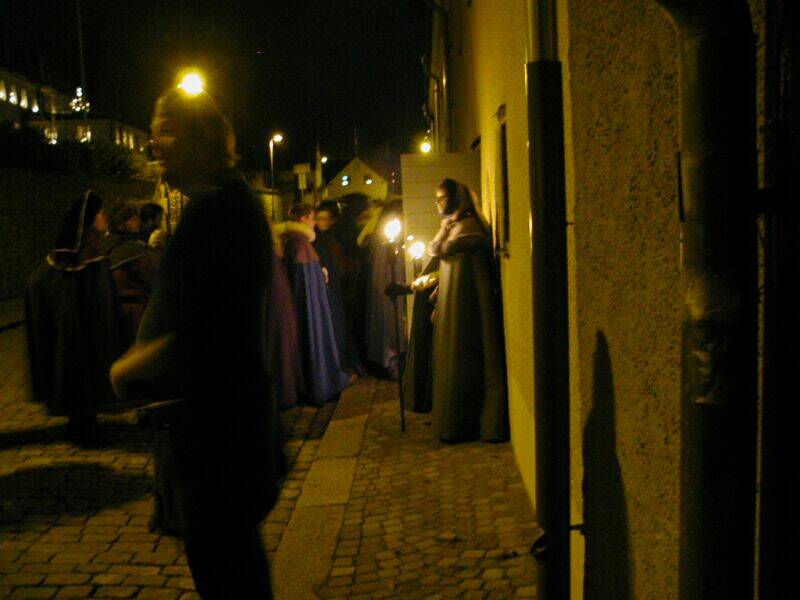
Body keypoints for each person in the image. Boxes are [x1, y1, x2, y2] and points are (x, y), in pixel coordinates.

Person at [109, 86, 283, 598]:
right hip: (224, 429)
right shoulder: (225, 204)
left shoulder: (218, 213)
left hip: (217, 437)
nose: (153, 143)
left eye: (165, 129)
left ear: (199, 135)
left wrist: (128, 367)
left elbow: (205, 332)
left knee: (227, 575)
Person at [25, 190, 125, 446]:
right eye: (100, 213)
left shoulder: (90, 254)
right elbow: (41, 282)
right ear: (89, 220)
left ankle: (83, 422)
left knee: (83, 369)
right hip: (77, 331)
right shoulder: (78, 258)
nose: (104, 217)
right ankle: (82, 425)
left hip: (86, 330)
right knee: (78, 368)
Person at [427, 178, 509, 443]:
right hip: (456, 313)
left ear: (455, 199)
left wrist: (444, 230)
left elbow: (441, 252)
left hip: (465, 316)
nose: (438, 203)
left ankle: (462, 422)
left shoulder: (466, 231)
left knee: (464, 365)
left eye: (442, 198)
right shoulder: (455, 228)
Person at [276, 204, 351, 405]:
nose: (314, 223)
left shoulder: (294, 241)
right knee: (313, 335)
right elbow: (306, 281)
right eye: (311, 218)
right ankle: (320, 383)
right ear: (302, 219)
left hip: (300, 306)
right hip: (308, 309)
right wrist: (320, 273)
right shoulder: (300, 243)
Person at [313, 200, 363, 376]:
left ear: (332, 220)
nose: (320, 222)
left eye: (324, 218)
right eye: (318, 218)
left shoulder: (337, 235)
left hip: (343, 281)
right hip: (333, 283)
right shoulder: (317, 238)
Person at [99, 202, 158, 343]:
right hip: (137, 318)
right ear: (122, 224)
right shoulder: (133, 250)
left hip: (113, 319)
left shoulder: (101, 248)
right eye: (132, 217)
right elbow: (153, 282)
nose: (138, 221)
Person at [362, 200, 406, 379]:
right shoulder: (388, 231)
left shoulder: (381, 230)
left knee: (389, 317)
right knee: (390, 318)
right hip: (390, 278)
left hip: (387, 279)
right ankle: (393, 361)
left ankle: (391, 360)